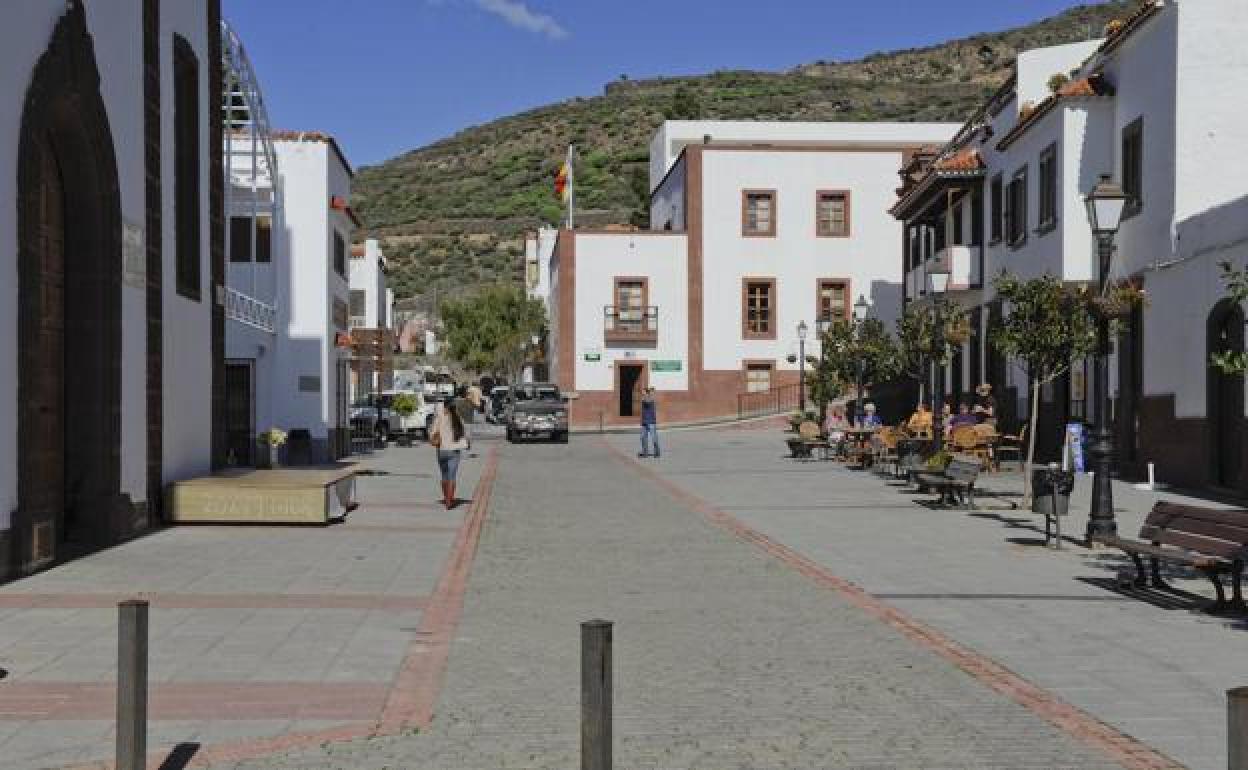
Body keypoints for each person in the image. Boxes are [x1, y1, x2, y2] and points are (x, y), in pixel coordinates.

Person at [429, 385, 471, 509]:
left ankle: (446, 498)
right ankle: (449, 501)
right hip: (454, 451)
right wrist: (467, 443)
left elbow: (433, 432)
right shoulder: (458, 417)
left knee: (444, 475)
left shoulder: (440, 417)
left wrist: (433, 437)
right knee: (452, 476)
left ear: (444, 406)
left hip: (442, 450)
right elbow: (465, 432)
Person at [639, 387, 660, 458]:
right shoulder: (645, 398)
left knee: (654, 438)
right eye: (642, 392)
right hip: (644, 422)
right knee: (642, 437)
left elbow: (648, 402)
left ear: (646, 392)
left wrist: (647, 395)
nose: (641, 393)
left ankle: (657, 452)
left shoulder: (649, 398)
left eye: (643, 391)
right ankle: (645, 453)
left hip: (651, 422)